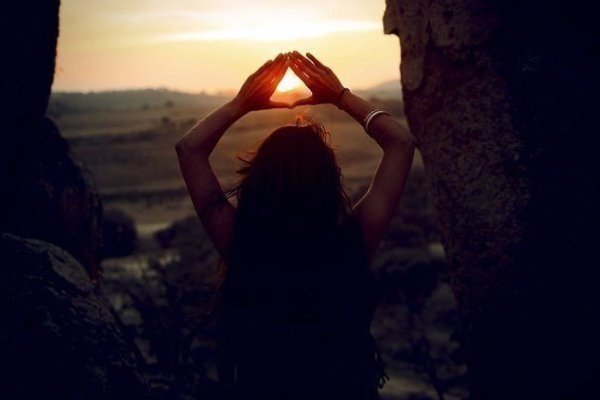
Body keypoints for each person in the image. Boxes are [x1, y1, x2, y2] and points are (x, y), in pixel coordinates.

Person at [176, 51, 415, 400]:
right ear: (329, 182)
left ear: (257, 180)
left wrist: (241, 104)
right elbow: (401, 143)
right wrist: (340, 96)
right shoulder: (355, 239)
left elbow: (189, 149)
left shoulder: (239, 241)